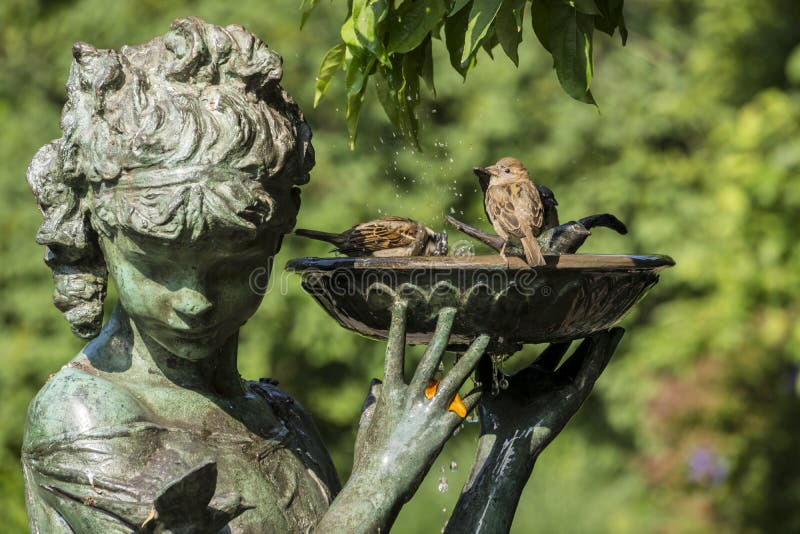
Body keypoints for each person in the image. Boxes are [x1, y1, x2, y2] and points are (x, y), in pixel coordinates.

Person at [23, 17, 622, 533]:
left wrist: (505, 453)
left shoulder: (279, 417)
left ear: (275, 245)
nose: (195, 300)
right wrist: (378, 484)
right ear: (94, 242)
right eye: (155, 264)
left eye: (235, 266)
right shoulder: (88, 419)